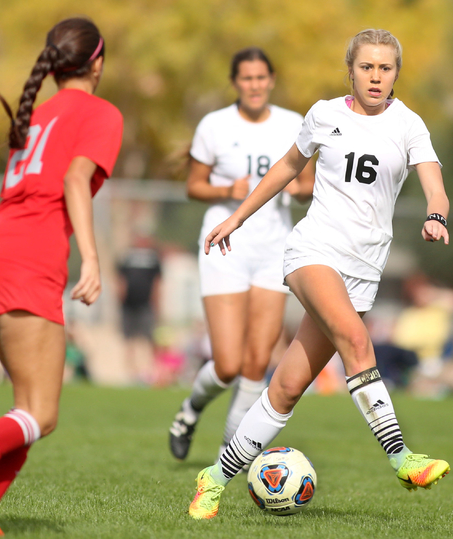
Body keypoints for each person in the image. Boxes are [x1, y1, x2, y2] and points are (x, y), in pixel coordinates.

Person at [188, 29, 451, 520]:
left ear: (396, 73)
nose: (376, 76)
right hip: (313, 251)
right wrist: (236, 217)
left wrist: (437, 215)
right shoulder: (324, 114)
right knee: (355, 337)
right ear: (350, 69)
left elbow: (436, 186)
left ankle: (214, 478)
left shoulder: (409, 124)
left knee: (287, 388)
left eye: (386, 68)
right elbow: (288, 167)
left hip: (363, 271)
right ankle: (402, 458)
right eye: (367, 67)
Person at [0, 18, 123, 536]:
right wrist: (91, 259)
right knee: (40, 414)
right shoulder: (100, 112)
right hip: (28, 261)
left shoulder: (39, 113)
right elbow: (73, 179)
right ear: (98, 60)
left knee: (28, 410)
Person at [168, 47, 314, 462]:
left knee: (256, 363)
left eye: (261, 78)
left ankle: (227, 457)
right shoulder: (214, 125)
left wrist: (298, 188)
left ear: (271, 80)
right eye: (246, 78)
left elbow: (308, 184)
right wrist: (226, 191)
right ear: (236, 82)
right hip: (225, 246)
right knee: (228, 363)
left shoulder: (293, 123)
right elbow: (193, 186)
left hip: (274, 249)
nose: (254, 85)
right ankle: (191, 409)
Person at [117, 234, 162, 383]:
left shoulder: (153, 259)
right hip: (129, 305)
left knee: (149, 339)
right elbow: (120, 279)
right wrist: (120, 298)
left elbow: (157, 283)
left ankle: (149, 371)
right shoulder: (127, 257)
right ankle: (131, 372)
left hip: (146, 305)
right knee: (128, 340)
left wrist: (157, 304)